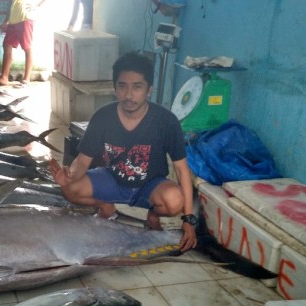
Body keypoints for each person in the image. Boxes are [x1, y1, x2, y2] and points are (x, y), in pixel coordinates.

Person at [49, 52, 197, 252]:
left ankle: (153, 215)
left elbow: (181, 170)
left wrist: (188, 219)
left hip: (150, 186)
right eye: (122, 86)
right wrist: (70, 176)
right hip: (112, 180)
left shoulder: (166, 121)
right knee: (70, 190)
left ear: (149, 90)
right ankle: (105, 206)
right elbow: (83, 160)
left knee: (174, 200)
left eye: (137, 87)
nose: (129, 95)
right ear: (115, 88)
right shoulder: (102, 117)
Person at [0, 0, 45, 87]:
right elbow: (11, 5)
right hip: (13, 20)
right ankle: (4, 77)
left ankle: (26, 79)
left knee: (27, 48)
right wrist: (6, 20)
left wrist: (38, 5)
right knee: (6, 45)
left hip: (25, 18)